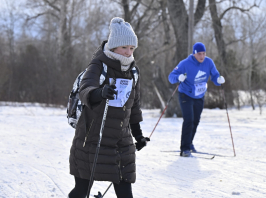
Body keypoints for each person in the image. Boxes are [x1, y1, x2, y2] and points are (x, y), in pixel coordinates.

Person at [68, 17, 150, 198]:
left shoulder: (133, 71)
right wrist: (100, 93)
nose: (128, 52)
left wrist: (138, 136)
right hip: (91, 140)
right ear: (113, 47)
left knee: (125, 193)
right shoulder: (99, 65)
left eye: (132, 48)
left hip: (121, 143)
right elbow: (85, 90)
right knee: (81, 191)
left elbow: (133, 107)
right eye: (124, 48)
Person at [168, 42, 225, 157]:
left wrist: (218, 80)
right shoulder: (185, 63)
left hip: (199, 96)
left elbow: (214, 75)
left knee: (195, 121)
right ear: (194, 54)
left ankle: (189, 143)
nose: (202, 56)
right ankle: (184, 149)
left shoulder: (209, 62)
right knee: (188, 120)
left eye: (204, 53)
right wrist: (178, 77)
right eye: (199, 54)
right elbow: (171, 77)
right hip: (186, 94)